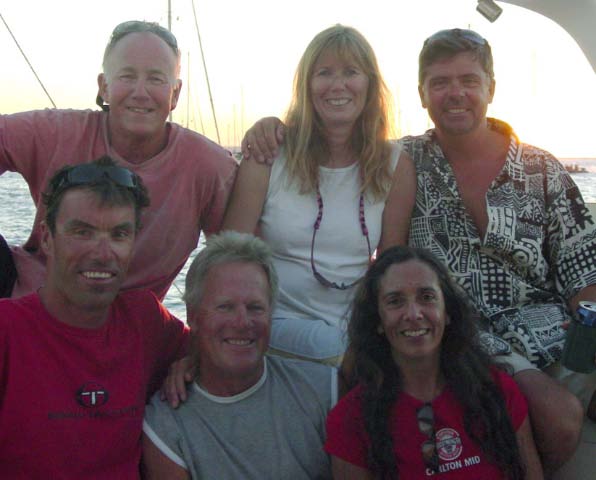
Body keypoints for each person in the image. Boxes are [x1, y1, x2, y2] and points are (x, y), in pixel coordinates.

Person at [239, 28, 593, 477]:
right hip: (460, 332)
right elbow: (339, 151)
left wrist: (586, 334)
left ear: (491, 88)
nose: (455, 93)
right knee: (559, 417)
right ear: (422, 94)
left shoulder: (541, 169)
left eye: (469, 80)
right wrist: (269, 126)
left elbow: (584, 269)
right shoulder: (408, 160)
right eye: (440, 82)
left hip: (550, 330)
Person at [0, 20, 237, 301]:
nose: (140, 92)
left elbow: (239, 257)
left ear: (175, 93)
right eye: (127, 76)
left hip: (133, 320)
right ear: (104, 87)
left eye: (156, 79)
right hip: (27, 301)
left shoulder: (209, 166)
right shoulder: (55, 132)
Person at [223, 25, 416, 365]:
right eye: (324, 73)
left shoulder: (394, 165)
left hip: (353, 330)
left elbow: (390, 267)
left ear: (369, 84)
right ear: (306, 85)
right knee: (332, 350)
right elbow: (227, 255)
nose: (337, 85)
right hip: (274, 323)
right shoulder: (269, 154)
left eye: (351, 72)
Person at [0, 156, 189, 478]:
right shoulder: (8, 330)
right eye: (82, 232)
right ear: (46, 238)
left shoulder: (145, 320)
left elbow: (212, 353)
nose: (102, 254)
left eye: (119, 235)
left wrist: (190, 361)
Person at [325, 245, 543, 479]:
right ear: (377, 319)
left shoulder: (497, 392)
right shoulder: (350, 420)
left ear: (447, 311)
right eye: (395, 301)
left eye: (427, 297)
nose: (413, 314)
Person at [141, 231, 337, 479]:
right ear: (193, 315)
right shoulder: (167, 424)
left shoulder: (324, 391)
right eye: (225, 307)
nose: (242, 322)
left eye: (255, 307)